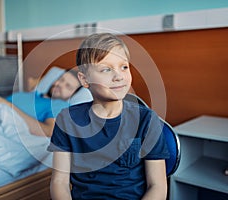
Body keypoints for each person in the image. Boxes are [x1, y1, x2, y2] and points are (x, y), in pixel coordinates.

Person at [48, 33, 170, 199]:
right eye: (106, 69)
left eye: (124, 67)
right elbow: (59, 182)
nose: (119, 76)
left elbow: (158, 187)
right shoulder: (67, 120)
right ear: (84, 80)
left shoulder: (146, 120)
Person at [0, 69, 81, 137]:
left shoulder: (60, 106)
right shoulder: (25, 95)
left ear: (72, 95)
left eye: (68, 86)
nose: (60, 85)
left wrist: (8, 106)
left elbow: (48, 131)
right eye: (61, 80)